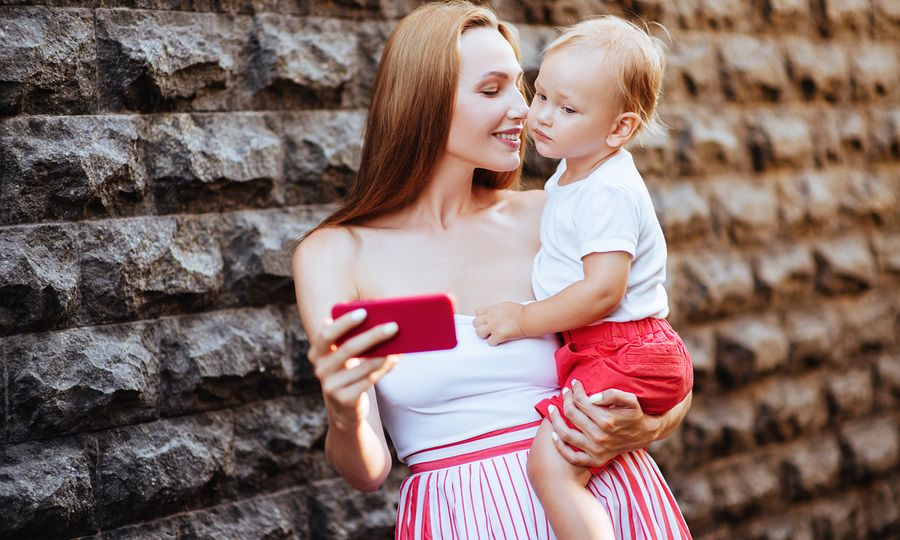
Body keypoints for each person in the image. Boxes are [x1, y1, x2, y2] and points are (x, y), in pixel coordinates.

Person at [291, 2, 692, 538]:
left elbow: (657, 355)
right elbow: (368, 472)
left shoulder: (553, 214)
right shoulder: (334, 254)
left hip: (606, 502)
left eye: (522, 89)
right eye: (491, 90)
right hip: (465, 518)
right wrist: (342, 409)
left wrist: (641, 426)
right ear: (423, 103)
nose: (524, 110)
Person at [472, 16, 693, 540]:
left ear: (619, 128)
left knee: (552, 467)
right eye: (541, 94)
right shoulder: (573, 172)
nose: (541, 116)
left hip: (624, 350)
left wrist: (524, 319)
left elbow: (603, 290)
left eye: (567, 108)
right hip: (609, 349)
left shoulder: (606, 191)